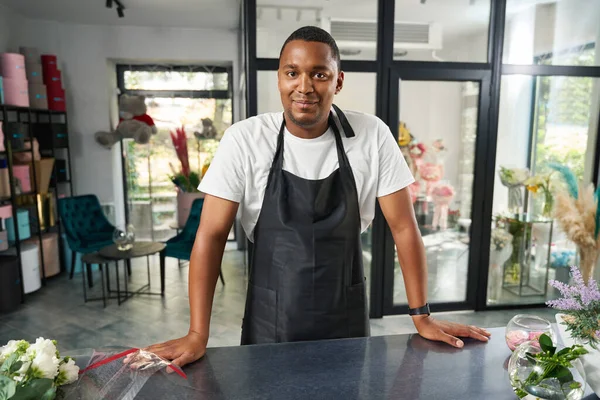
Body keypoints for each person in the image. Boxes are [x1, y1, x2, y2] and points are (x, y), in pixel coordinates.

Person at [146, 26, 491, 368]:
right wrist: (196, 333)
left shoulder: (372, 136)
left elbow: (404, 228)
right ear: (279, 79)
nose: (304, 87)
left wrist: (421, 315)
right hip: (270, 323)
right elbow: (211, 234)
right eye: (292, 73)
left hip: (347, 321)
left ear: (338, 81)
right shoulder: (245, 140)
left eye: (319, 74)